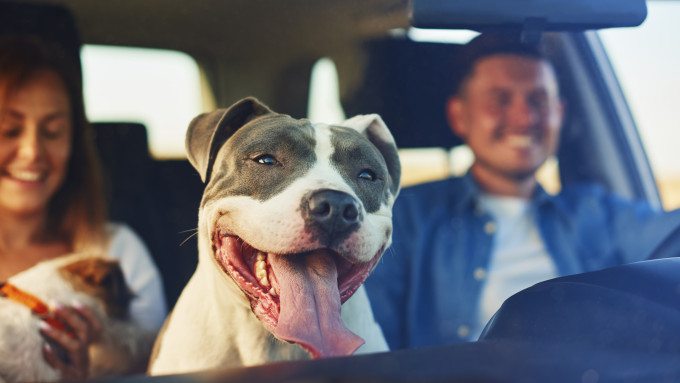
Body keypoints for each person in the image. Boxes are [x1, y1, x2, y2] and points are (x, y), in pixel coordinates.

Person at [364, 33, 680, 350]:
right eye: (500, 100)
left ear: (560, 113)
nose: (524, 117)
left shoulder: (597, 213)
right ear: (459, 116)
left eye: (538, 100)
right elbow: (370, 348)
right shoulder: (402, 218)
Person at [0, 36, 167, 378]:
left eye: (53, 131)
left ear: (74, 142)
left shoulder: (117, 252)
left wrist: (96, 369)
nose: (32, 151)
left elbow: (161, 367)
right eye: (9, 129)